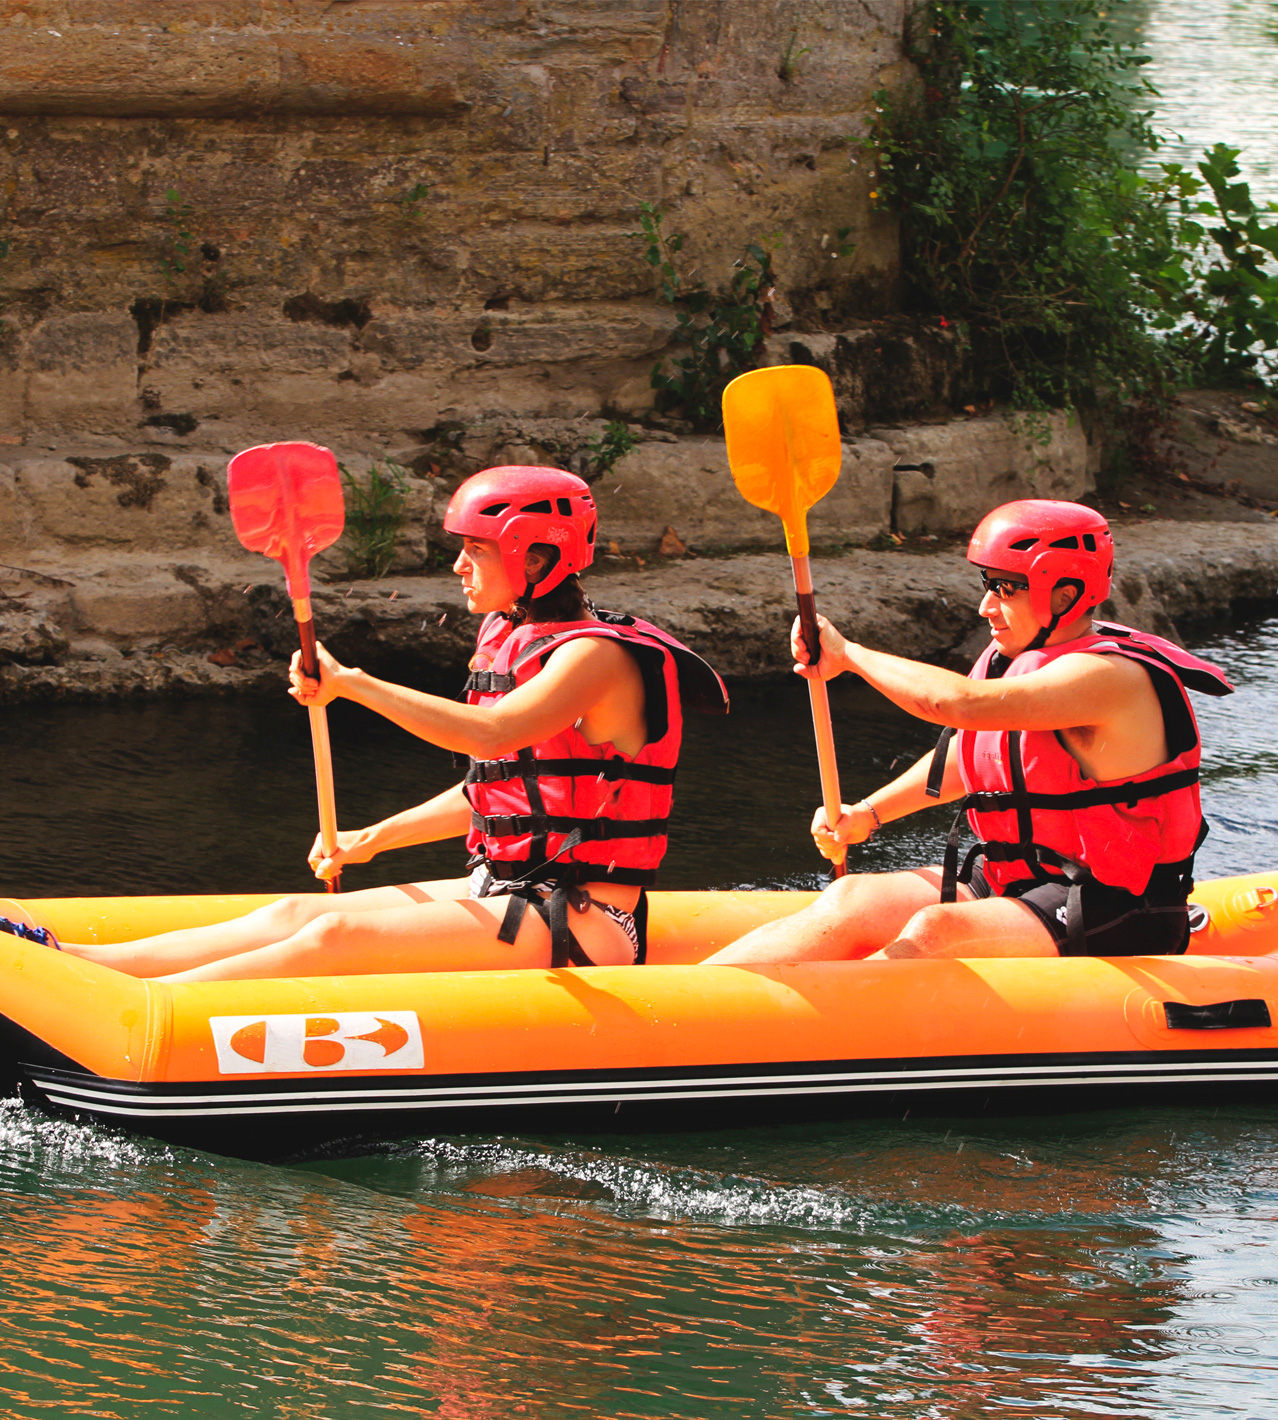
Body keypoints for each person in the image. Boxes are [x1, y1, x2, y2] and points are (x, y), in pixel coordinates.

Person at [5, 465, 726, 982]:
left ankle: (142, 1011)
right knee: (293, 914)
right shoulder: (518, 639)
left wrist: (352, 684)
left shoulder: (595, 657)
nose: (457, 568)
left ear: (535, 555)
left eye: (474, 551)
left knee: (336, 931)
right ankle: (76, 967)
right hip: (513, 895)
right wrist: (370, 840)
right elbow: (501, 790)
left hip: (589, 923)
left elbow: (492, 735)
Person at [704, 499, 1232, 966]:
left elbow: (952, 705)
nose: (986, 606)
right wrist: (868, 814)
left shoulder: (1107, 678)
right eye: (987, 586)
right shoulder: (1017, 660)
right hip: (1014, 880)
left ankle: (814, 1029)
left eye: (1006, 589)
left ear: (1066, 592)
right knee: (854, 900)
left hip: (1114, 905)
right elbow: (972, 761)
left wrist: (850, 657)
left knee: (936, 932)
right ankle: (692, 999)